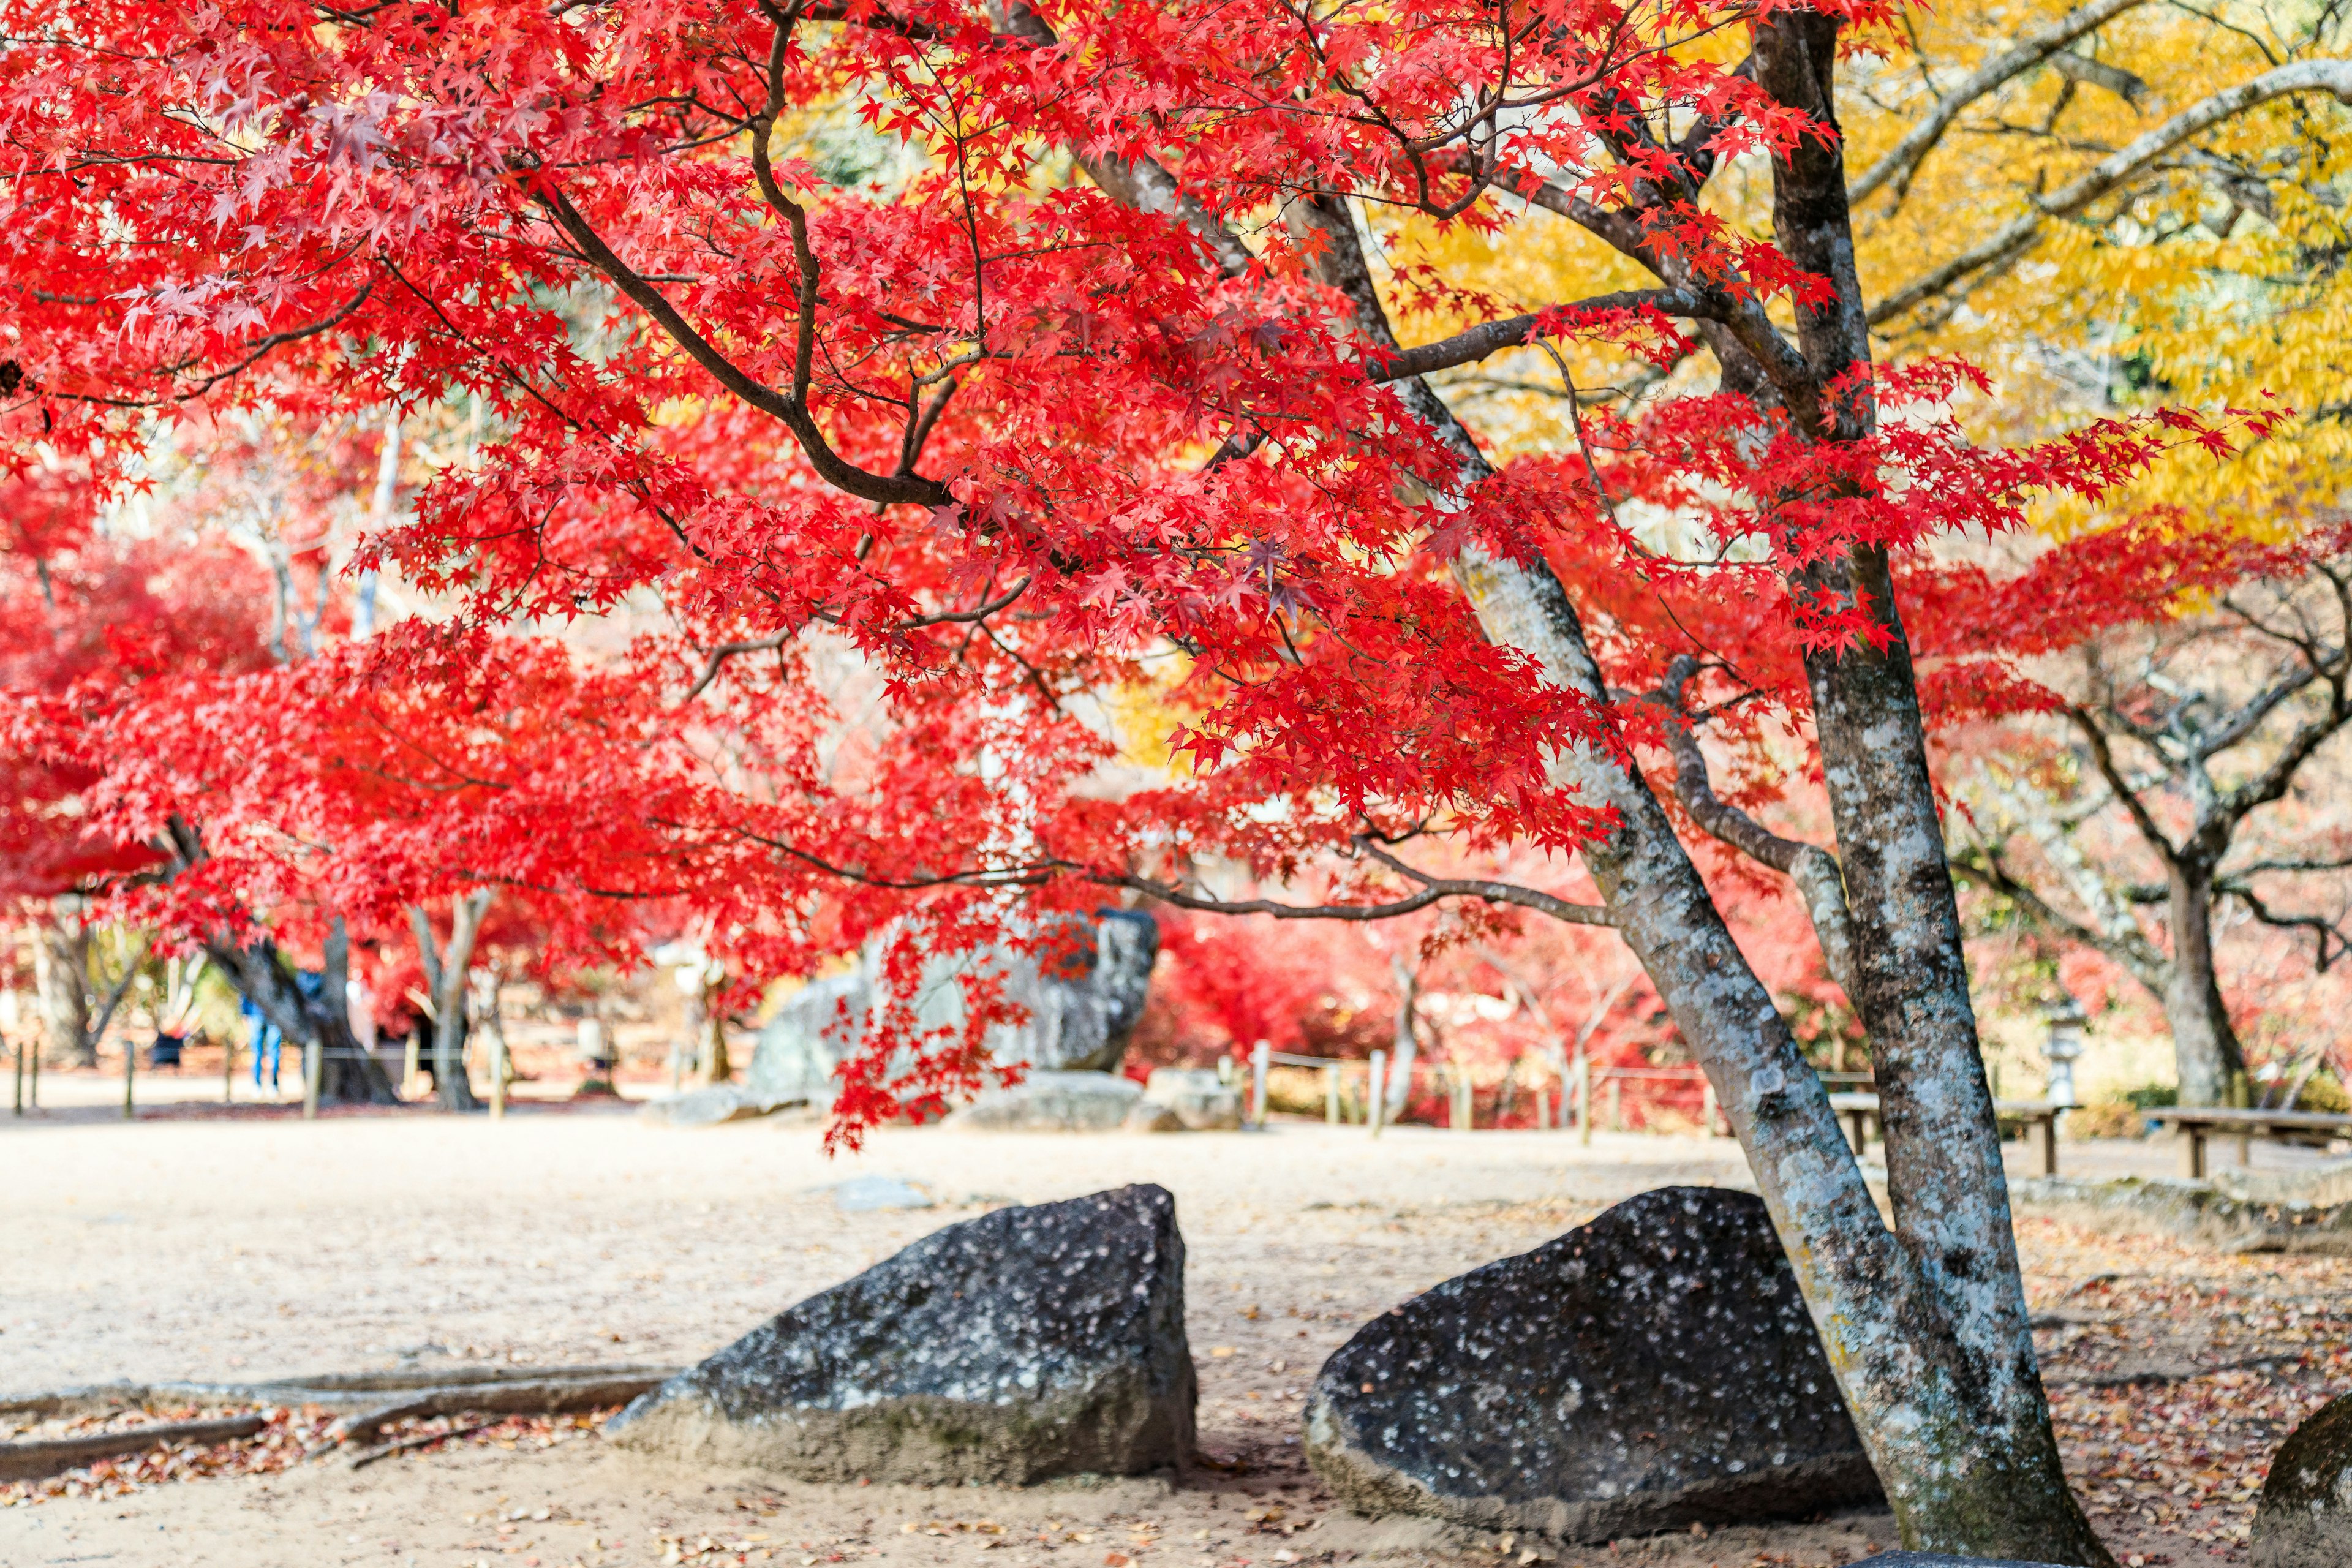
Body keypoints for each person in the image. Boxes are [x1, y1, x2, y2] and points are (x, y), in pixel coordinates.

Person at [238, 995, 282, 1093]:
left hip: (274, 1018)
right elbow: (246, 991)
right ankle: (257, 1085)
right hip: (256, 1016)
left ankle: (274, 1085)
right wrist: (245, 1014)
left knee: (274, 1053)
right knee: (257, 1053)